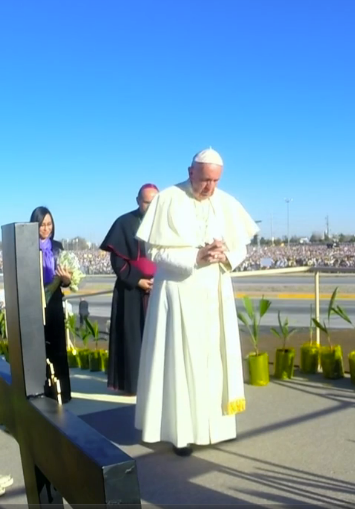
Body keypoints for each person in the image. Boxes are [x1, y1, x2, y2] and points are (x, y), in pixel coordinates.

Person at [133, 147, 259, 457]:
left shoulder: (226, 202)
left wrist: (224, 254)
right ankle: (182, 433)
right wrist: (195, 256)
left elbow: (242, 247)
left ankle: (216, 428)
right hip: (178, 292)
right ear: (191, 172)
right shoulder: (167, 200)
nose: (210, 188)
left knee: (213, 363)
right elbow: (155, 252)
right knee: (181, 362)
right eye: (204, 180)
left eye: (215, 181)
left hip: (214, 293)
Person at [99, 183, 160, 395]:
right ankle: (133, 385)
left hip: (159, 288)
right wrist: (138, 281)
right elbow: (118, 262)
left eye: (154, 202)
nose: (150, 206)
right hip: (130, 290)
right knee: (132, 339)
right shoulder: (124, 223)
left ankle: (158, 384)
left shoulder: (166, 223)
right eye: (146, 202)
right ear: (137, 201)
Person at [31, 206, 73, 404]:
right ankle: (43, 390)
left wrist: (66, 279)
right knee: (39, 347)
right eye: (42, 225)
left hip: (54, 302)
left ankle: (63, 392)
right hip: (34, 304)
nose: (46, 229)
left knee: (58, 347)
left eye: (49, 224)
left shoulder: (58, 247)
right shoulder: (28, 247)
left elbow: (66, 282)